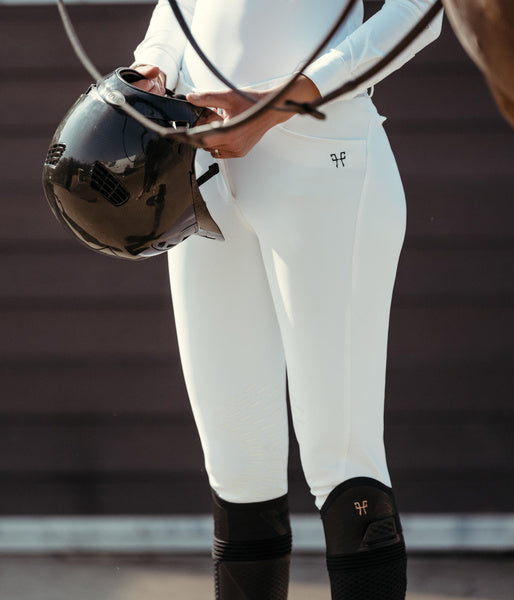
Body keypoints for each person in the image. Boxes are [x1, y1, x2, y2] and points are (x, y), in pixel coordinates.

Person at [132, 1, 443, 598]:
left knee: (344, 466)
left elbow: (421, 12)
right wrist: (155, 63)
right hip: (205, 171)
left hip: (325, 168)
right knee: (238, 472)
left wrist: (280, 103)